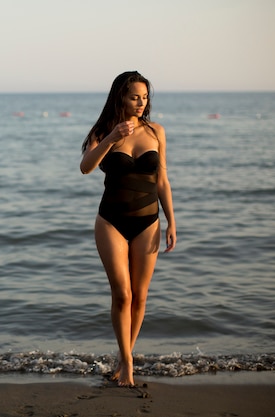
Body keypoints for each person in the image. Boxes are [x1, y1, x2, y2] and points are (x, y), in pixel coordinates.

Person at [80, 71, 176, 387]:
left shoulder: (156, 131)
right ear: (121, 96)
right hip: (111, 221)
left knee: (140, 296)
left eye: (145, 97)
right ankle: (129, 363)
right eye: (135, 96)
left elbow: (162, 180)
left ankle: (123, 358)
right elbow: (85, 166)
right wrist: (112, 138)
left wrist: (171, 221)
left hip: (148, 221)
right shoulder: (103, 130)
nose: (141, 102)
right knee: (122, 294)